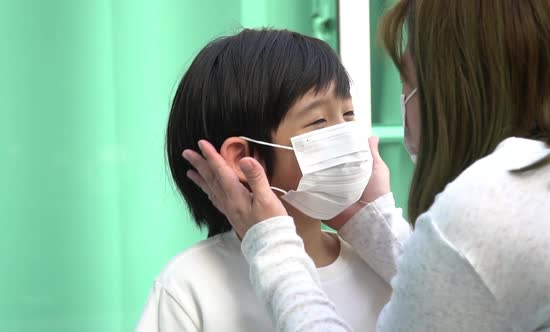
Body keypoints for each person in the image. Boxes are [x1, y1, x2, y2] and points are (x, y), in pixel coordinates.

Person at [184, 0, 550, 331]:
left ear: (459, 88)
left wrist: (268, 241)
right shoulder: (189, 285)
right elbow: (471, 287)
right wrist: (371, 221)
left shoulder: (495, 203)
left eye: (410, 79)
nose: (406, 99)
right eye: (318, 121)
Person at [136, 28, 411, 332]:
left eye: (348, 114)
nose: (346, 134)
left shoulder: (385, 268)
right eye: (318, 120)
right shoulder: (190, 284)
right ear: (243, 159)